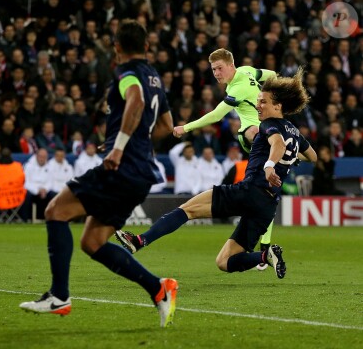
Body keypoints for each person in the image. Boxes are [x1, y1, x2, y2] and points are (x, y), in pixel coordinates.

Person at [19, 20, 177, 328]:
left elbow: (136, 101)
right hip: (141, 173)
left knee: (56, 211)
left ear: (116, 47)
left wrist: (119, 147)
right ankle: (159, 288)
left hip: (122, 168)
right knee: (92, 242)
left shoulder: (126, 74)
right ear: (146, 47)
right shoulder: (155, 77)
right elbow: (164, 127)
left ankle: (59, 297)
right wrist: (137, 142)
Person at [116, 69, 318, 280]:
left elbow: (276, 143)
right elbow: (312, 156)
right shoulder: (295, 132)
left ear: (278, 106)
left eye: (263, 102)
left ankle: (139, 241)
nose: (258, 105)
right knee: (224, 262)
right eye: (258, 101)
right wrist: (291, 157)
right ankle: (265, 256)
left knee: (188, 210)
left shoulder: (268, 125)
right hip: (268, 206)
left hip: (249, 191)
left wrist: (269, 165)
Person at [173, 48, 278, 254]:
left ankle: (265, 247)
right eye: (213, 70)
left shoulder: (237, 89)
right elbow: (272, 75)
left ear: (231, 66)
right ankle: (289, 152)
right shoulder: (248, 71)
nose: (216, 73)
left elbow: (215, 115)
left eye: (220, 68)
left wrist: (185, 127)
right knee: (259, 134)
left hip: (263, 133)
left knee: (269, 191)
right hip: (253, 135)